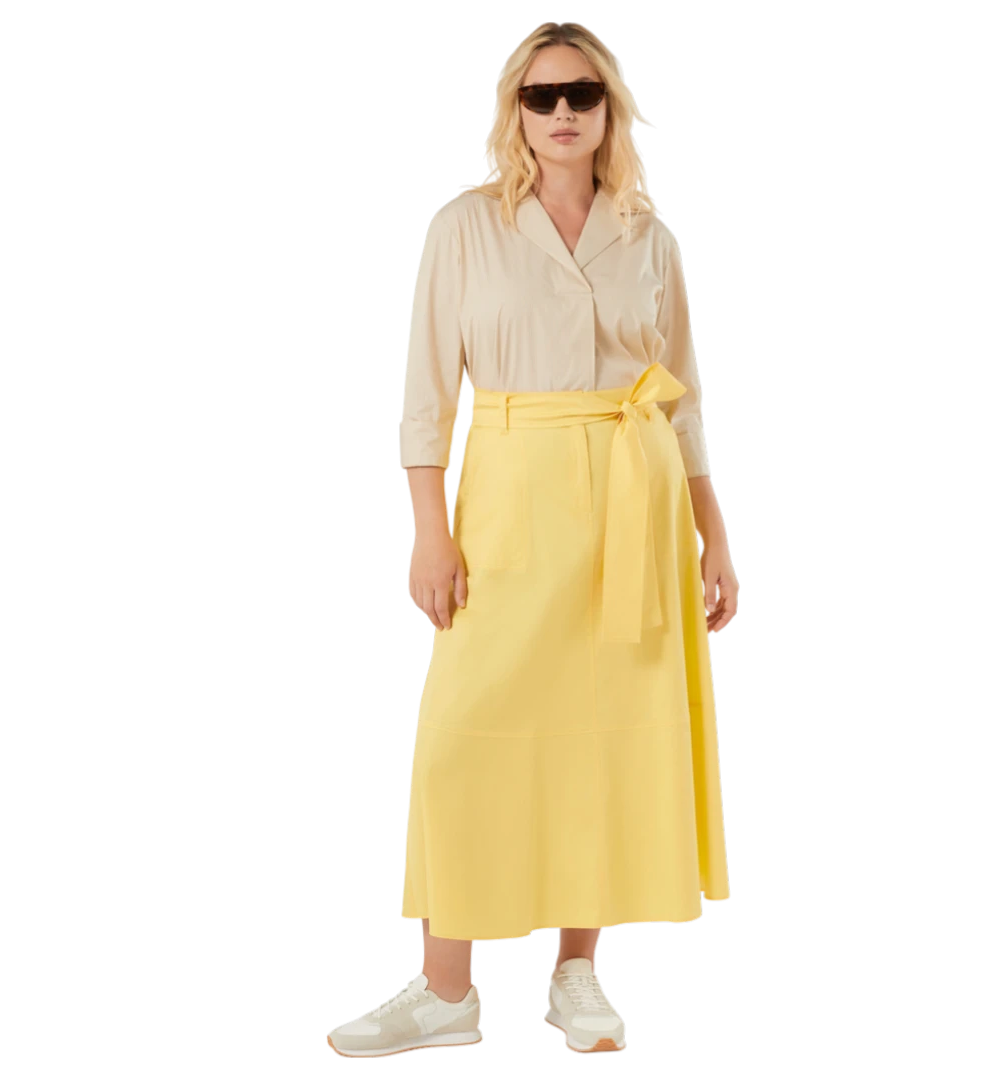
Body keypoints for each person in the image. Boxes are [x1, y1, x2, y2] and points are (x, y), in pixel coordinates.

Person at [328, 21, 739, 1060]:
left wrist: (713, 537)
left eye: (581, 95)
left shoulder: (645, 233)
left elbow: (682, 401)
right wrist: (430, 528)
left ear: (611, 111)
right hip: (511, 499)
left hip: (633, 503)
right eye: (540, 96)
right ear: (514, 109)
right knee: (465, 736)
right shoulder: (467, 227)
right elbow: (430, 394)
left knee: (598, 735)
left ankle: (576, 973)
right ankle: (445, 988)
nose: (561, 113)